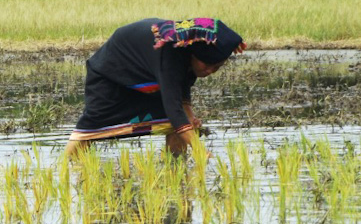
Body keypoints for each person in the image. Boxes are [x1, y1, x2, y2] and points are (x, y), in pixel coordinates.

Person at [64, 17, 246, 157]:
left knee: (179, 124)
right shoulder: (170, 55)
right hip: (112, 73)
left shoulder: (186, 52)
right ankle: (65, 168)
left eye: (216, 67)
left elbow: (182, 88)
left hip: (147, 75)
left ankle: (175, 166)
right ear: (194, 55)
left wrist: (190, 115)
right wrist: (200, 151)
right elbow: (174, 109)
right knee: (90, 129)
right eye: (207, 64)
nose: (210, 71)